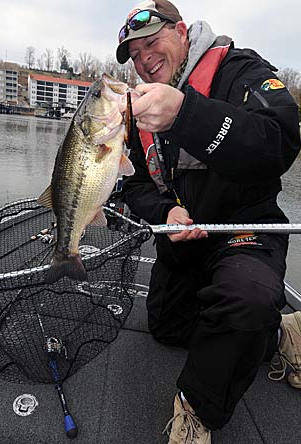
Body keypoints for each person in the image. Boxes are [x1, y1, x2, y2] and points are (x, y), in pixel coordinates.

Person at [116, 1, 301, 443]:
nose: (145, 59)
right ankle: (280, 331)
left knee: (245, 300)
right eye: (135, 55)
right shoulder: (136, 109)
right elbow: (136, 185)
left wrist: (186, 114)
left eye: (151, 42)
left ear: (181, 32)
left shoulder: (241, 70)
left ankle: (195, 410)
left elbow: (280, 139)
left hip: (245, 230)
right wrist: (165, 212)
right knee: (167, 328)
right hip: (185, 238)